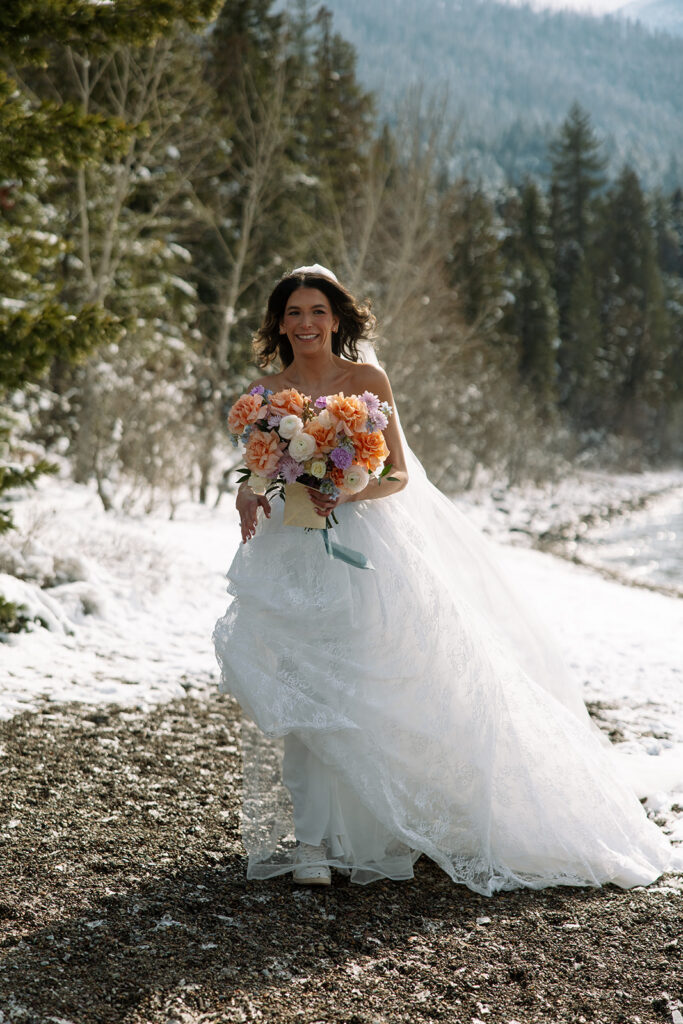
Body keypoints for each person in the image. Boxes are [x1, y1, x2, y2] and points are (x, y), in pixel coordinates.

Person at [213, 265, 676, 893]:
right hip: (291, 556)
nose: (305, 324)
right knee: (301, 694)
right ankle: (314, 842)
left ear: (337, 317)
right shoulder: (267, 393)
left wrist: (343, 493)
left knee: (356, 691)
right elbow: (263, 468)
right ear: (279, 322)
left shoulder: (366, 382)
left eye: (317, 311)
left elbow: (398, 476)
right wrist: (251, 491)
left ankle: (371, 830)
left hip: (362, 554)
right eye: (294, 313)